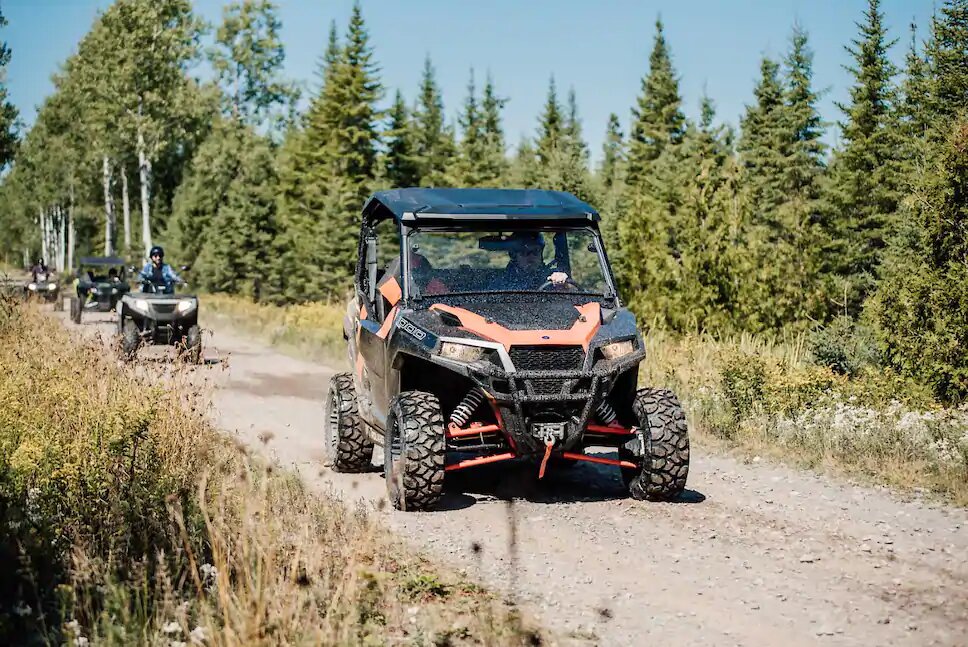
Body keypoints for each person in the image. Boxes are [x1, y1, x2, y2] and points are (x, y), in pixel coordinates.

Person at [502, 232, 568, 290]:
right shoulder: (503, 280)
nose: (531, 256)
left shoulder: (552, 276)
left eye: (535, 251)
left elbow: (573, 296)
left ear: (541, 254)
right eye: (524, 252)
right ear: (514, 256)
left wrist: (564, 285)